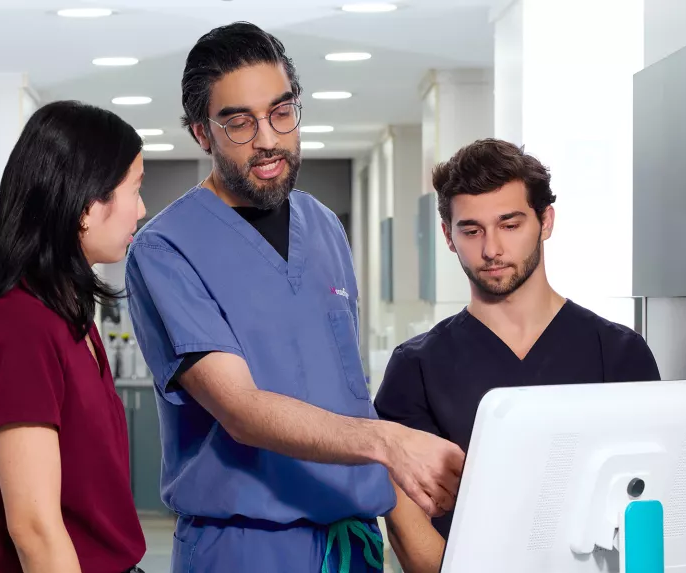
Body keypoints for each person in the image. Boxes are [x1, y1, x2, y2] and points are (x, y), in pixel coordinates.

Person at [123, 22, 465, 573]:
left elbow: (344, 390)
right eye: (240, 122)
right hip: (246, 547)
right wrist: (388, 442)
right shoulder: (166, 249)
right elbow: (240, 409)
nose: (268, 138)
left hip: (352, 543)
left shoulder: (324, 226)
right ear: (202, 134)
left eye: (281, 112)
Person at [374, 138, 663, 569]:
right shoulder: (416, 368)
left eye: (509, 225)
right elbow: (407, 524)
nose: (491, 249)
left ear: (546, 221)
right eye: (471, 230)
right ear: (448, 236)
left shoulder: (619, 354)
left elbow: (649, 499)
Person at [0, 100, 148, 573]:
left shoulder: (67, 316)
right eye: (135, 189)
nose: (141, 210)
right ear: (86, 204)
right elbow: (35, 530)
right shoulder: (18, 325)